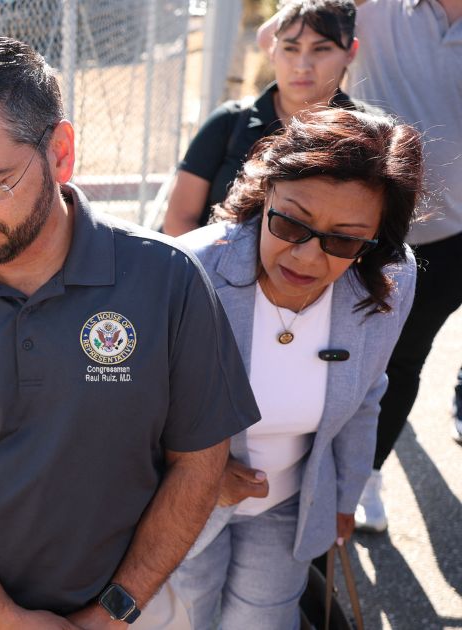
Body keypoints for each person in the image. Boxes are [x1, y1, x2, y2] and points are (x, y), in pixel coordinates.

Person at [0, 35, 260, 630]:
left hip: (138, 607)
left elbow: (198, 463)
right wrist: (3, 617)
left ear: (61, 153)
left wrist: (114, 611)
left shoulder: (166, 279)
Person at [171, 108, 422, 628]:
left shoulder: (389, 284)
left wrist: (344, 497)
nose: (306, 257)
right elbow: (125, 408)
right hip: (178, 508)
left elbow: (367, 395)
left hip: (288, 507)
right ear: (265, 194)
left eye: (345, 239)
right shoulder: (186, 271)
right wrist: (202, 477)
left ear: (376, 242)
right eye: (289, 222)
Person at [261, 0, 462, 533]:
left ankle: (365, 473)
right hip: (345, 226)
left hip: (447, 238)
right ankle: (293, 467)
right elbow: (277, 32)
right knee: (331, 352)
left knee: (403, 361)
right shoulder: (375, 9)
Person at [162, 0, 372, 237]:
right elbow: (177, 221)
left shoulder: (370, 135)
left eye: (321, 49)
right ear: (272, 50)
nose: (302, 66)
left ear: (351, 52)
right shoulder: (229, 122)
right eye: (290, 48)